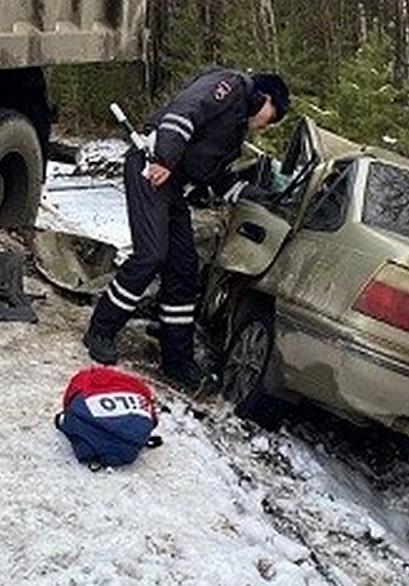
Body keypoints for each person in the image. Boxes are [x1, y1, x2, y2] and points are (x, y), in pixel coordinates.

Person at [82, 68, 290, 392]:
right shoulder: (229, 87)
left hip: (173, 184)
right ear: (267, 98)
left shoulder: (235, 131)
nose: (265, 125)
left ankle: (176, 359)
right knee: (151, 254)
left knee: (184, 269)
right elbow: (183, 113)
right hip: (150, 167)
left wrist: (261, 197)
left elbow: (216, 177)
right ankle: (101, 329)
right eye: (270, 117)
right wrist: (164, 158)